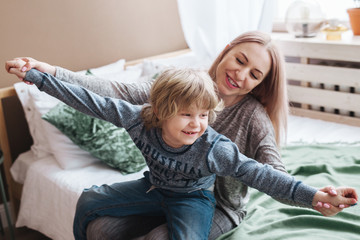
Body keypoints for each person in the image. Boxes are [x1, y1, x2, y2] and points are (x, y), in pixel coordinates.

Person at [5, 31, 356, 240]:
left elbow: (265, 171)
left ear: (260, 84)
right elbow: (106, 95)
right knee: (97, 224)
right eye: (240, 59)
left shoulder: (239, 129)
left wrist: (313, 198)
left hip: (214, 204)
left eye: (255, 74)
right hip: (159, 186)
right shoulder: (173, 90)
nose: (241, 74)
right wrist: (47, 74)